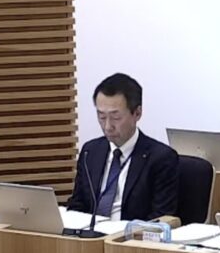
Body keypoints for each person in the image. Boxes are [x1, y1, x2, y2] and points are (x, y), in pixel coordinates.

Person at [68, 73, 178, 221]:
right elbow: (77, 205)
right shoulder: (90, 152)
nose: (108, 126)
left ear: (137, 113)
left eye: (116, 117)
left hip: (130, 233)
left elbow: (159, 219)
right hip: (91, 232)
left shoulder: (161, 158)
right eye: (101, 117)